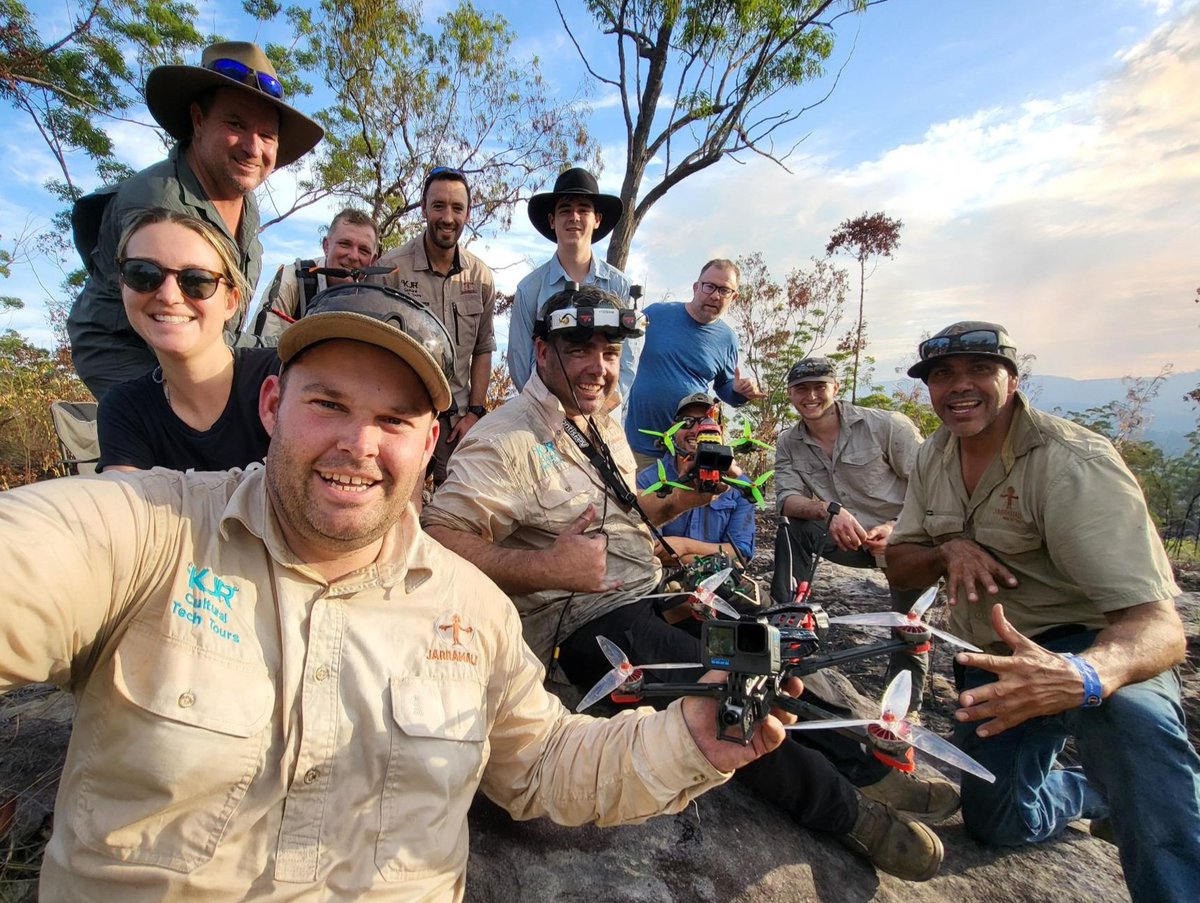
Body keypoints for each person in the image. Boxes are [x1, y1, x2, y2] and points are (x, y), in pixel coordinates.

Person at [0, 284, 797, 901]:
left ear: (429, 441)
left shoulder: (471, 611)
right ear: (272, 406)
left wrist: (693, 739)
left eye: (394, 418)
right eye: (327, 404)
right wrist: (553, 566)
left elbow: (549, 761)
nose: (358, 443)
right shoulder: (149, 533)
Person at [424, 286, 955, 883]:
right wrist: (549, 570)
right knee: (731, 694)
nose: (597, 365)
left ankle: (870, 767)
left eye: (607, 349)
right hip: (584, 628)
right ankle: (853, 816)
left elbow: (629, 516)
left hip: (654, 592)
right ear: (542, 351)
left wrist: (689, 495)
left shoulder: (598, 417)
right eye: (579, 349)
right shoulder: (504, 440)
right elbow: (439, 538)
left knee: (769, 648)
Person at [885, 320, 1200, 903]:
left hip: (1092, 650)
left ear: (1012, 377)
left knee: (1146, 754)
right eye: (943, 375)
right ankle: (1087, 792)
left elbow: (1159, 627)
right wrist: (945, 549)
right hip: (998, 661)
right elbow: (899, 564)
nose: (960, 386)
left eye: (979, 370)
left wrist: (1083, 675)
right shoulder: (935, 454)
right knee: (997, 822)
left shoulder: (1072, 462)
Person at [67, 41, 323, 399]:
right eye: (236, 124)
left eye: (267, 135)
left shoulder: (244, 203)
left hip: (200, 342)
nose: (253, 148)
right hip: (131, 352)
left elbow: (222, 327)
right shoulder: (158, 206)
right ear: (198, 121)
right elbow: (185, 333)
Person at [772, 355, 931, 711]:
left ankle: (905, 710)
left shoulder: (885, 426)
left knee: (908, 626)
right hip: (848, 539)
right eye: (801, 389)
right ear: (790, 394)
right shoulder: (790, 442)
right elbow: (786, 500)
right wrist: (828, 511)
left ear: (835, 388)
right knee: (794, 528)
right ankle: (783, 625)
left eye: (819, 387)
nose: (811, 396)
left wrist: (896, 528)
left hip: (906, 541)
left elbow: (932, 488)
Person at [97, 208, 278, 472]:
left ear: (230, 301)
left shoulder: (282, 376)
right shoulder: (126, 409)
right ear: (123, 288)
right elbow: (126, 506)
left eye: (196, 280)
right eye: (143, 274)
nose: (169, 296)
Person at [372, 167, 497, 483]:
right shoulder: (391, 268)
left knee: (453, 514)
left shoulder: (480, 277)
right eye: (439, 205)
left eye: (457, 208)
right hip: (403, 414)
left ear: (467, 214)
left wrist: (476, 413)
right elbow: (375, 346)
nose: (447, 217)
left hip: (456, 422)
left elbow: (483, 347)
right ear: (424, 208)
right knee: (397, 505)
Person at [507, 167, 640, 406]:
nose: (574, 217)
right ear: (552, 220)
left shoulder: (622, 286)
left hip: (603, 417)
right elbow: (520, 364)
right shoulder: (529, 289)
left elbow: (628, 361)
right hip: (544, 416)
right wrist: (552, 410)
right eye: (565, 210)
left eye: (583, 209)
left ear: (597, 219)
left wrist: (600, 407)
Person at [624, 259, 764, 472]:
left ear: (734, 297)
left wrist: (738, 391)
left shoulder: (727, 339)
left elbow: (725, 387)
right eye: (709, 286)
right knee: (638, 502)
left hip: (691, 448)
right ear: (696, 287)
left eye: (724, 290)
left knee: (689, 504)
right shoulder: (656, 314)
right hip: (641, 445)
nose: (715, 295)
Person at [636, 392, 756, 565]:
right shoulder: (648, 480)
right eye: (687, 422)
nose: (696, 430)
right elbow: (652, 552)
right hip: (661, 577)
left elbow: (741, 553)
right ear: (673, 429)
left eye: (706, 422)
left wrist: (684, 546)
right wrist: (718, 555)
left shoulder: (741, 486)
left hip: (721, 581)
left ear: (720, 431)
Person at [238, 208, 379, 347]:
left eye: (363, 250)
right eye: (344, 244)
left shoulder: (377, 300)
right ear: (326, 246)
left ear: (373, 261)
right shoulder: (292, 280)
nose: (354, 256)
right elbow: (259, 350)